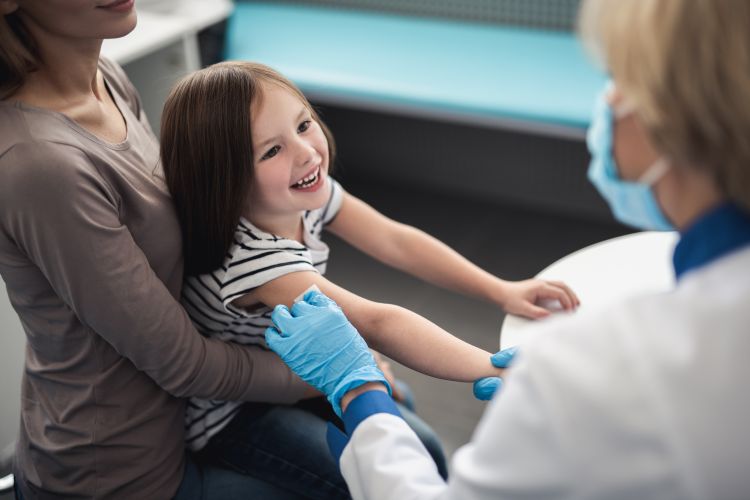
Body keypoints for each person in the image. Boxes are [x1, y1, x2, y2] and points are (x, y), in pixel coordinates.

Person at [264, 0, 750, 498]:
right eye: (271, 148)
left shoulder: (599, 367)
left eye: (616, 76)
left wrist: (359, 390)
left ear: (674, 116)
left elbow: (390, 261)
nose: (607, 100)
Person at [159, 61, 579, 496]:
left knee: (426, 445)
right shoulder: (255, 261)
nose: (305, 152)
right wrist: (490, 368)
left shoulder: (303, 193)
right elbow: (376, 323)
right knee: (358, 475)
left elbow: (396, 241)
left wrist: (501, 290)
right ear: (224, 178)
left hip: (296, 370)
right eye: (271, 150)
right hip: (235, 414)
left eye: (304, 124)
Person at [1, 1, 333, 499]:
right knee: (369, 474)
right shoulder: (41, 165)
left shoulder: (106, 79)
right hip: (126, 472)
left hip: (196, 413)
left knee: (403, 433)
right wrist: (326, 372)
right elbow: (183, 364)